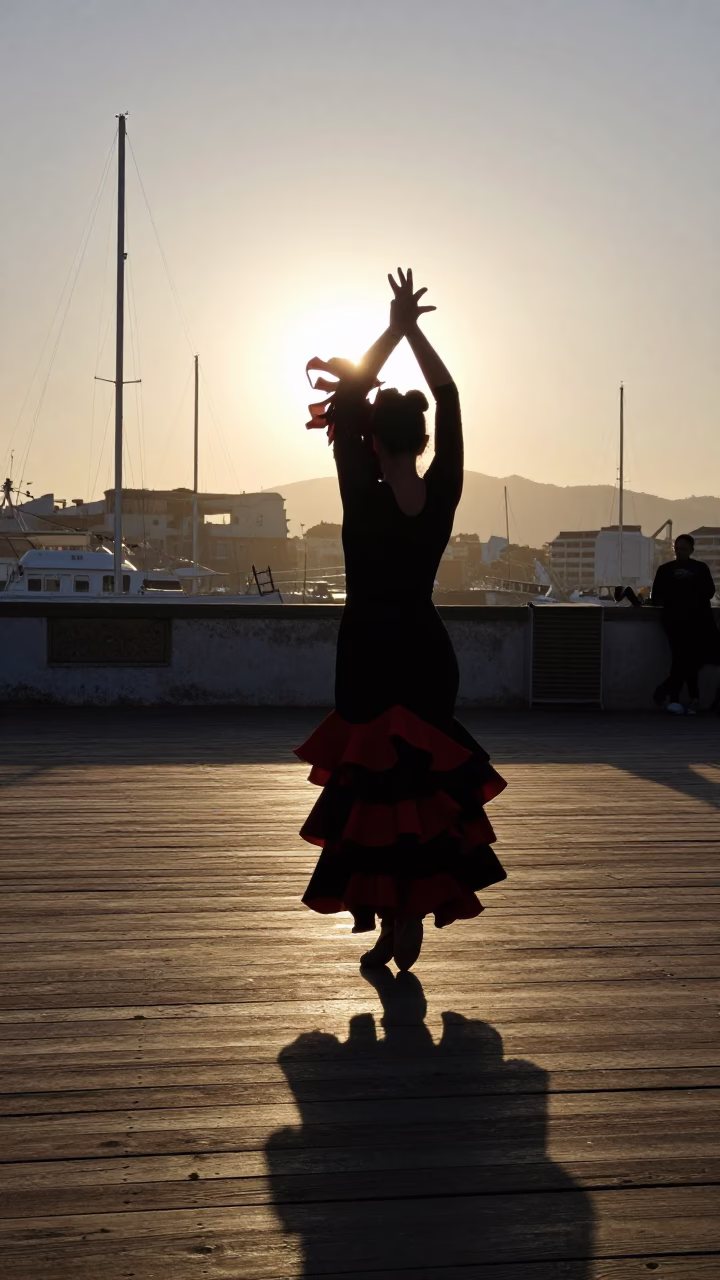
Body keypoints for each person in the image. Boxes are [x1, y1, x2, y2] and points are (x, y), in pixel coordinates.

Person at [294, 269, 507, 971]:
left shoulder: (361, 493)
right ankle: (403, 920)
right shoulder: (443, 491)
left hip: (366, 651)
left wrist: (391, 327)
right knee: (420, 795)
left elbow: (350, 396)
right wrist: (417, 330)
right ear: (418, 440)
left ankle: (392, 920)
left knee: (375, 798)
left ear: (373, 445)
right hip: (423, 650)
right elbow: (448, 396)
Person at [651, 533, 719, 714]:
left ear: (691, 550)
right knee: (684, 659)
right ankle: (685, 698)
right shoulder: (665, 570)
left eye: (683, 549)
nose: (679, 552)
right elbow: (657, 596)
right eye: (677, 549)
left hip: (697, 622)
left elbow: (709, 592)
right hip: (674, 622)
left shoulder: (700, 568)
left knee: (688, 661)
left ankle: (674, 697)